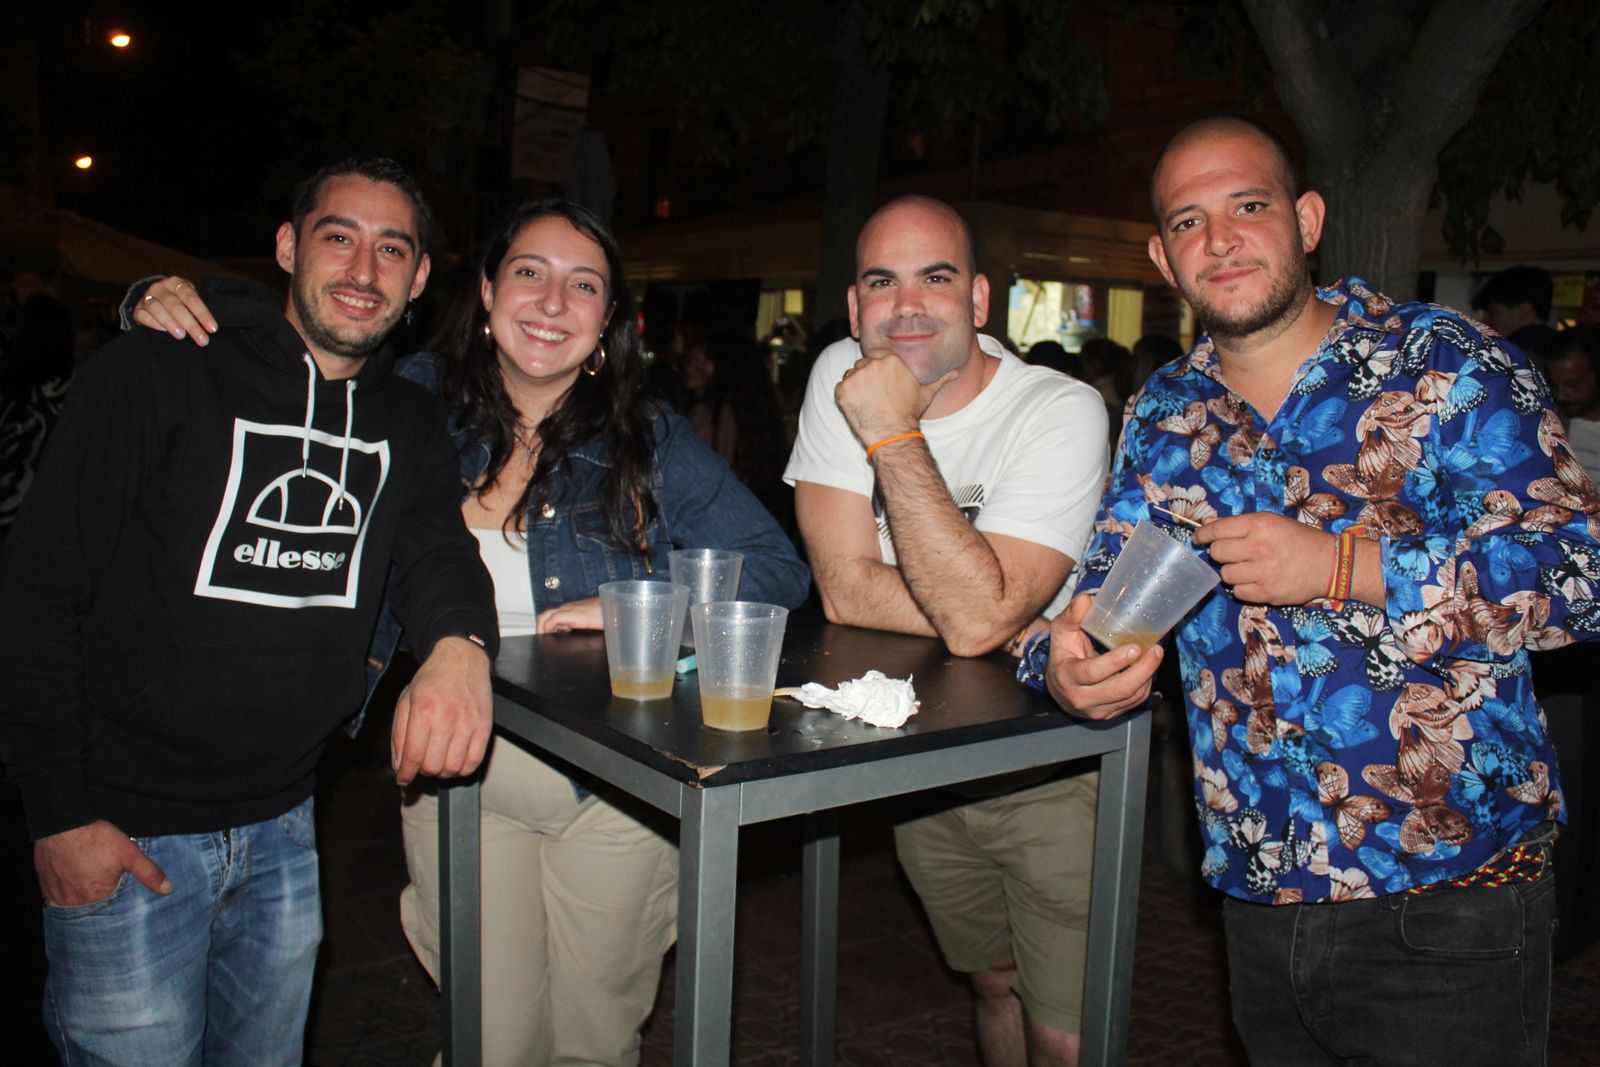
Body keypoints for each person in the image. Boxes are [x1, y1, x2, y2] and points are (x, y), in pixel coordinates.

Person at [136, 199, 810, 1067]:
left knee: (596, 1039)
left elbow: (777, 568)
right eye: (530, 272)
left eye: (584, 285)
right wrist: (161, 298)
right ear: (486, 293)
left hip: (618, 782)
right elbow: (305, 335)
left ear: (608, 320)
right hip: (461, 765)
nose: (552, 301)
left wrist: (643, 598)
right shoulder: (407, 400)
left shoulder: (647, 434)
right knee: (492, 1040)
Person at [1043, 116, 1600, 1065]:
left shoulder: (1445, 364)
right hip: (1263, 892)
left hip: (1448, 894)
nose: (1218, 239)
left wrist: (1346, 566)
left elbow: (1579, 576)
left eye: (1247, 206)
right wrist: (1066, 663)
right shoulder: (1165, 412)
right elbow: (1102, 594)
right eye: (1187, 221)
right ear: (1160, 257)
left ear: (1305, 219)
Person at [0, 156, 498, 1067]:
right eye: (337, 236)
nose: (362, 270)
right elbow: (36, 591)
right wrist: (58, 813)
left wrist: (461, 648)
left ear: (421, 279)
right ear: (287, 246)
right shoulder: (158, 368)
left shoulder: (410, 424)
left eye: (393, 249)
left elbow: (437, 553)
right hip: (126, 832)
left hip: (284, 833)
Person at [784, 195, 1108, 1066]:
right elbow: (845, 590)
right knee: (991, 980)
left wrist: (892, 428)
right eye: (881, 282)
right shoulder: (836, 375)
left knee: (1065, 1026)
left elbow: (971, 620)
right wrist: (998, 609)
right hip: (919, 757)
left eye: (936, 276)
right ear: (854, 308)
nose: (907, 305)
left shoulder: (1060, 410)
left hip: (1052, 763)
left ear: (978, 299)